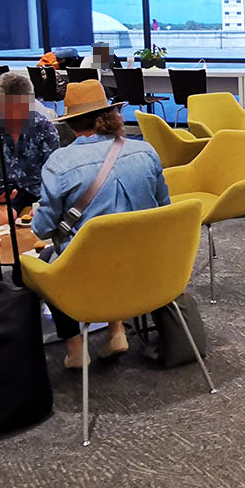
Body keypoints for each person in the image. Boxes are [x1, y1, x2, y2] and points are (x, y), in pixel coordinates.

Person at [31, 79, 169, 369]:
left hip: (90, 274)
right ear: (111, 115)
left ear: (71, 124)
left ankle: (75, 349)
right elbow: (163, 208)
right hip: (150, 268)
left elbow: (42, 229)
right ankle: (116, 330)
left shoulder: (60, 162)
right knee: (114, 239)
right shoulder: (145, 151)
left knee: (48, 261)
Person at [0, 71, 60, 226]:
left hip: (37, 189)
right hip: (1, 190)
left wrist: (47, 202)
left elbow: (54, 170)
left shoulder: (43, 126)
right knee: (2, 219)